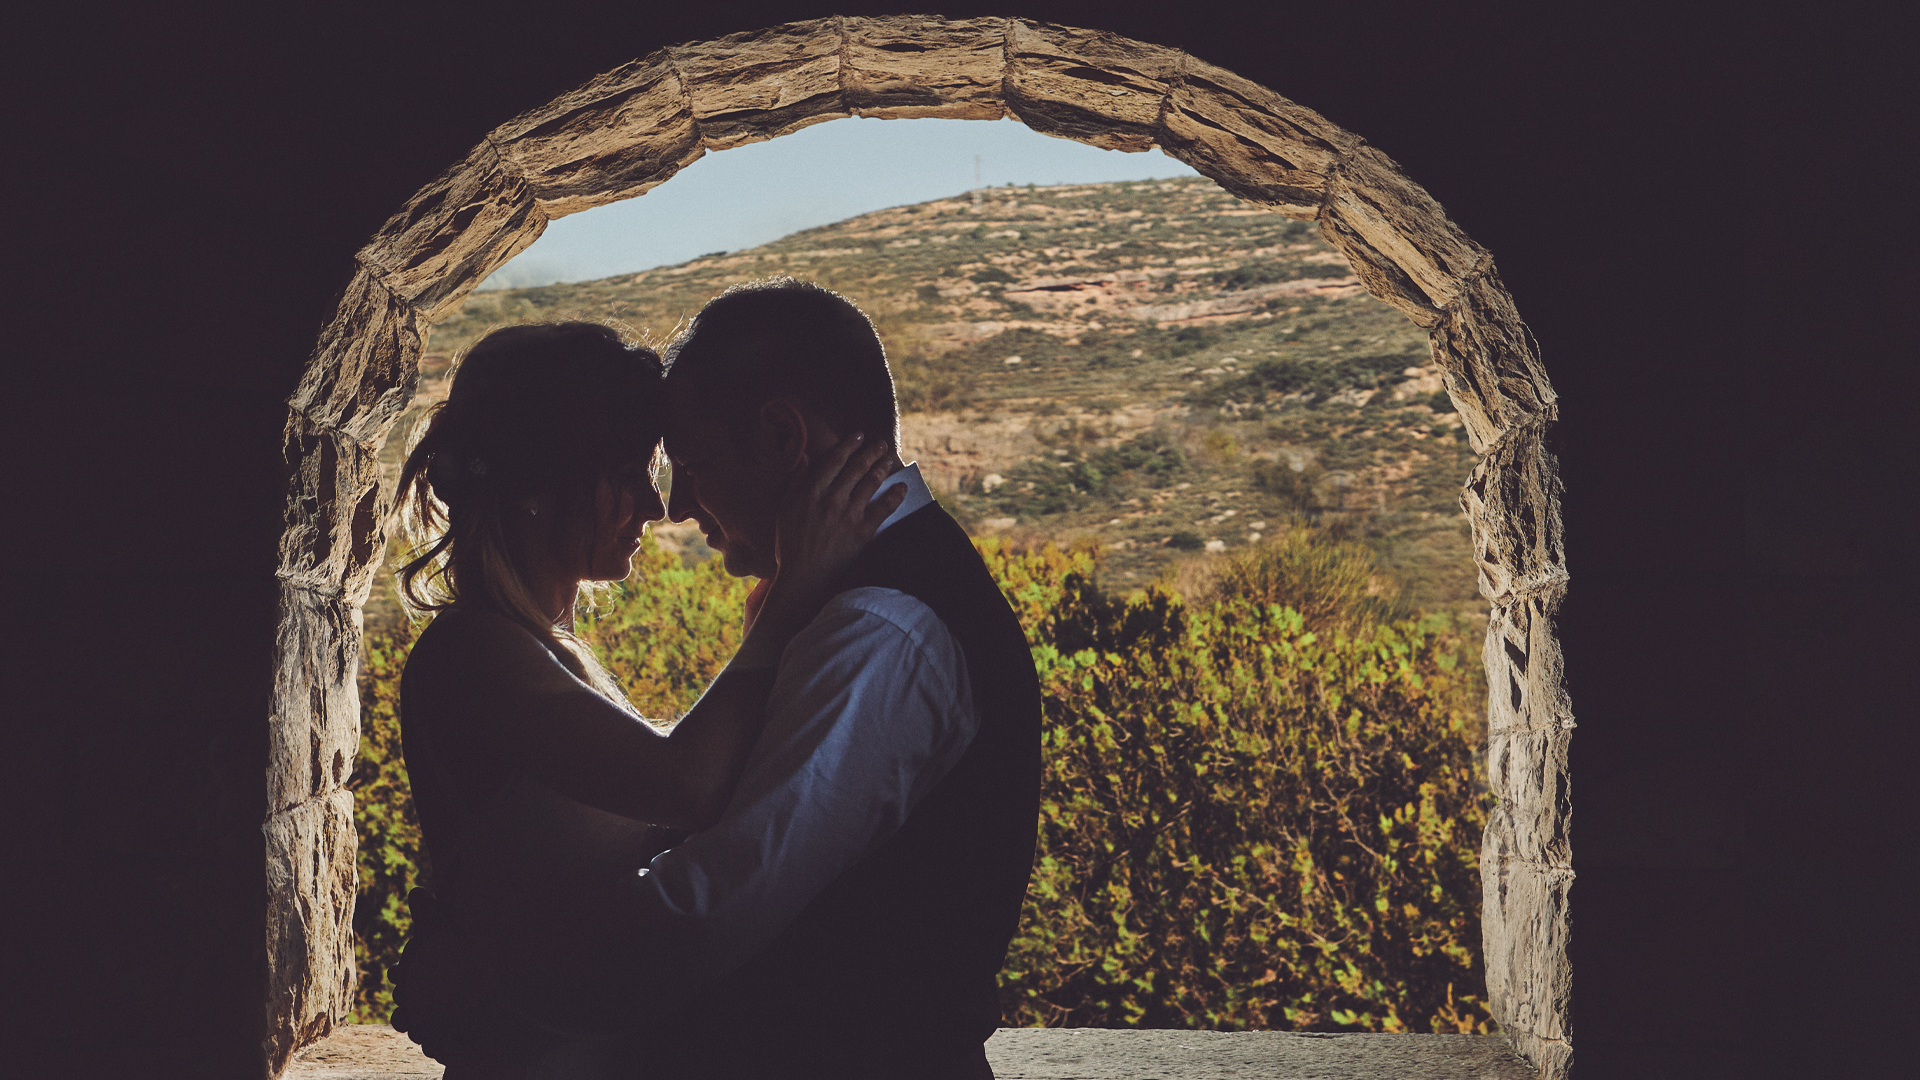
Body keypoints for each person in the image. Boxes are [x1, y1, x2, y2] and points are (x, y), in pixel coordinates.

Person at [396, 279, 1044, 1080]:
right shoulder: (483, 651)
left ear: (783, 435)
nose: (667, 505)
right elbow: (689, 812)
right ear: (539, 491)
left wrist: (495, 978)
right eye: (631, 471)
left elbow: (701, 896)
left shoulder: (879, 623)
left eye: (688, 465)